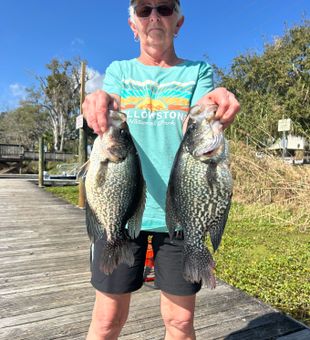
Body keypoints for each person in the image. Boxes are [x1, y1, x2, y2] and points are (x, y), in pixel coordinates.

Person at [82, 1, 240, 339]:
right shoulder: (120, 71)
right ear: (133, 25)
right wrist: (97, 101)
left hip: (183, 213)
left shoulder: (197, 71)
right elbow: (108, 102)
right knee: (107, 320)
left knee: (180, 323)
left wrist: (216, 102)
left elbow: (200, 115)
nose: (154, 16)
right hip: (122, 213)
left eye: (165, 8)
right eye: (144, 10)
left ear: (178, 23)